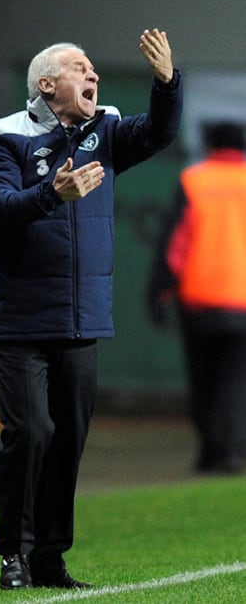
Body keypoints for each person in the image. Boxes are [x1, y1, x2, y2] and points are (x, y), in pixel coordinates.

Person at [0, 29, 183, 590]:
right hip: (19, 315)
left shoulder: (105, 130)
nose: (92, 75)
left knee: (68, 437)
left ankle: (50, 557)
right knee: (32, 431)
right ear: (47, 84)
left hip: (82, 316)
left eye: (93, 69)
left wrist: (166, 83)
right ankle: (13, 554)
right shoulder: (4, 136)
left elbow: (160, 133)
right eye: (79, 67)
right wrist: (52, 195)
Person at [147, 121, 246, 475]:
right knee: (235, 381)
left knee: (203, 380)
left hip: (199, 298)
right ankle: (231, 450)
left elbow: (176, 244)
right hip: (242, 300)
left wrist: (159, 291)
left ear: (210, 145)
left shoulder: (194, 181)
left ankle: (212, 451)